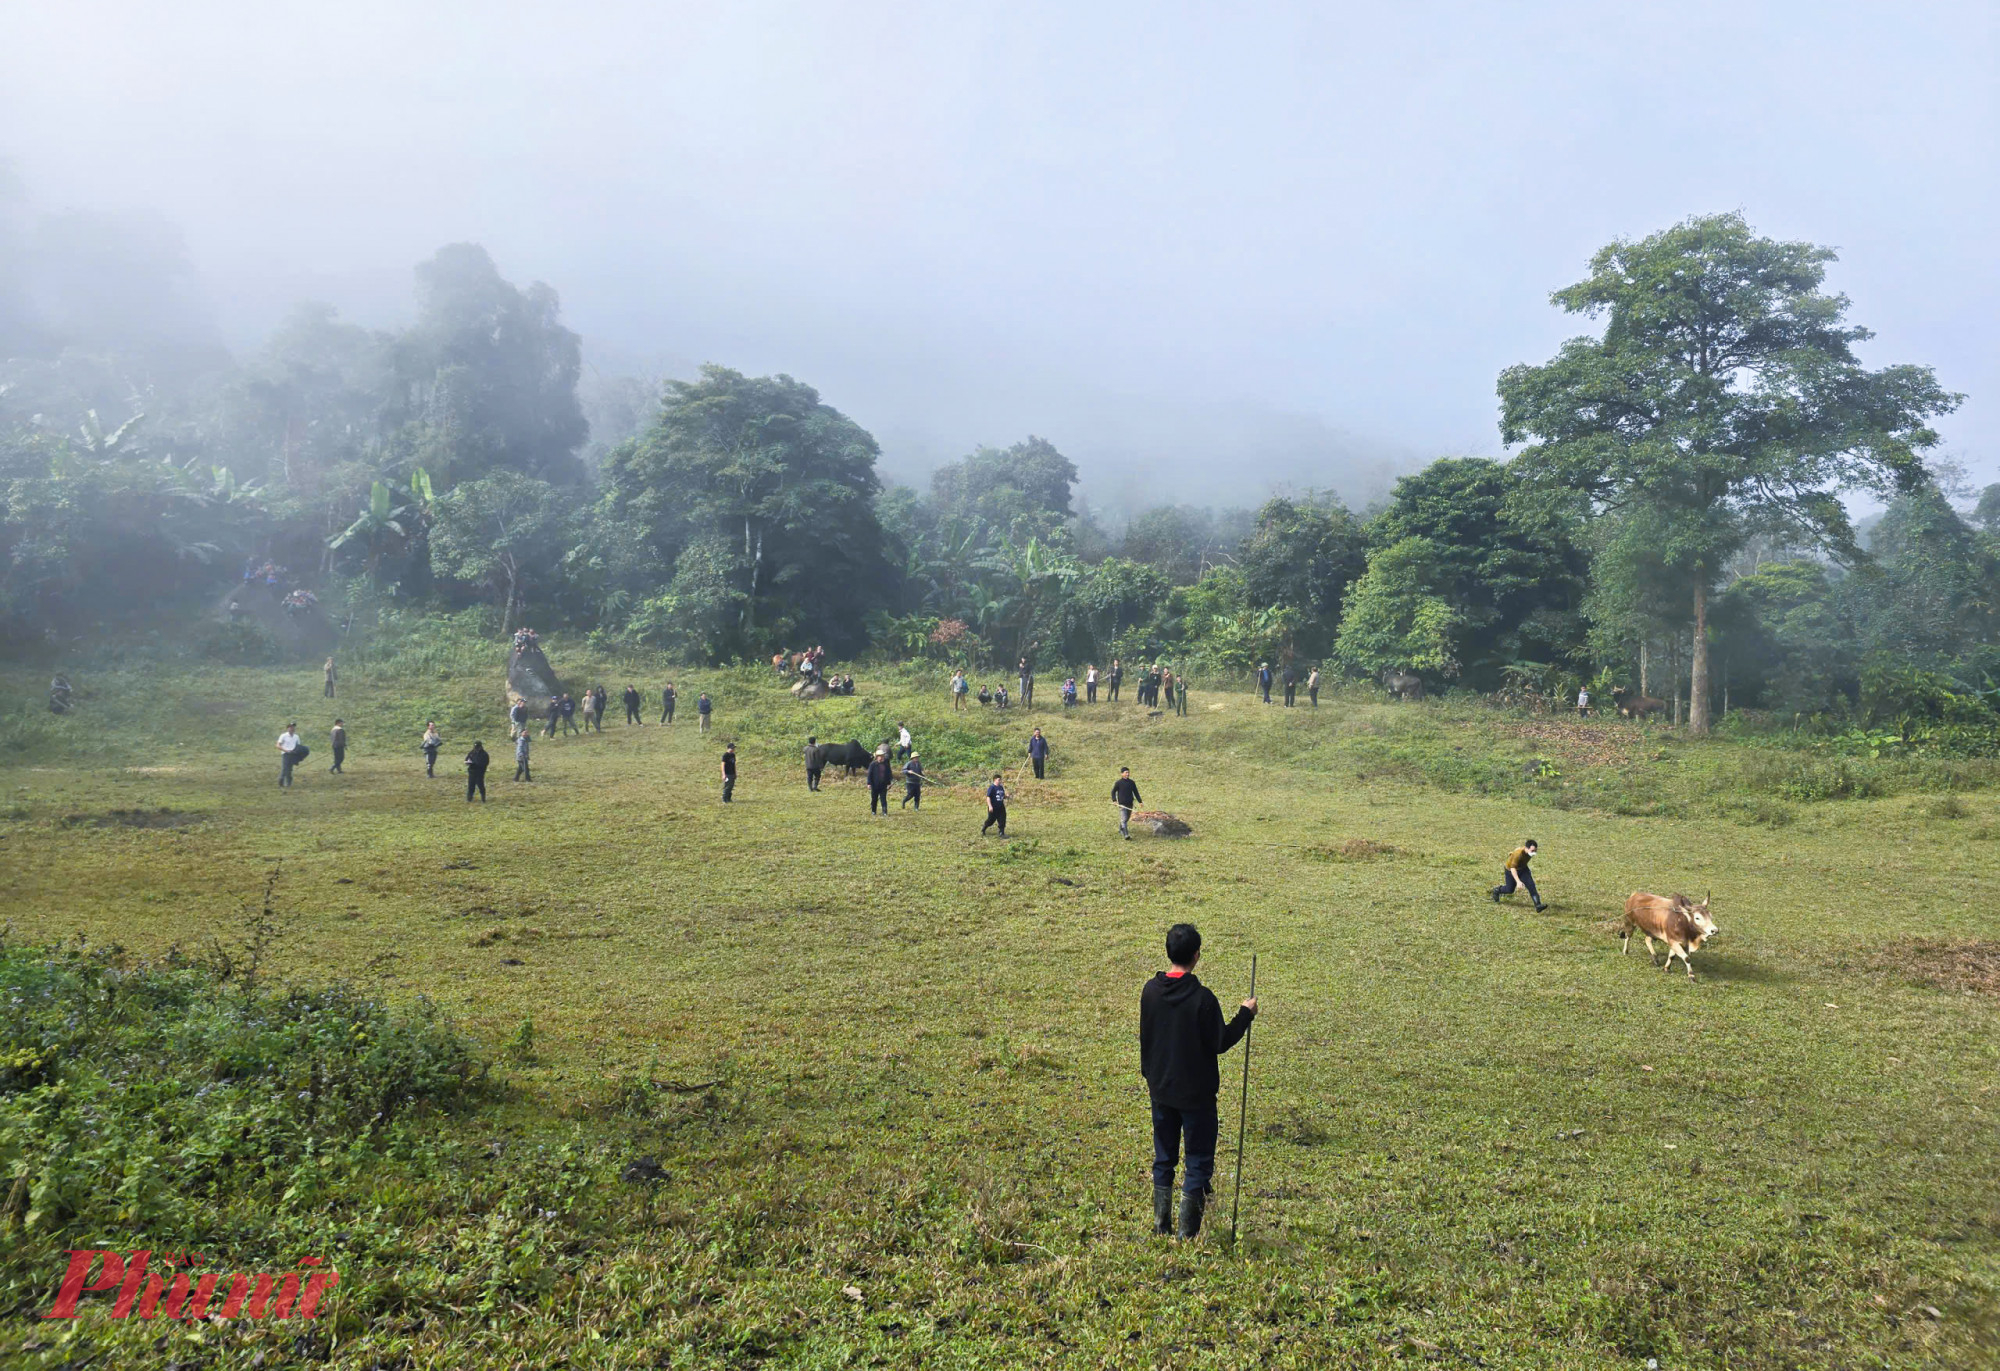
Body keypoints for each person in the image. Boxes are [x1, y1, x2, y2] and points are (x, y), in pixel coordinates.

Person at [1140, 923, 1257, 1239]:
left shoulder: (1150, 992)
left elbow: (1147, 1038)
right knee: (1198, 1162)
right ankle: (1187, 1236)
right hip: (1197, 1097)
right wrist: (1245, 1014)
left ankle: (1161, 1226)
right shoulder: (1202, 999)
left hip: (1161, 1090)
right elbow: (1220, 1042)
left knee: (1164, 1158)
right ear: (1196, 956)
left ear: (1169, 953)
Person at [1490, 839, 1546, 911]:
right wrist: (1518, 881)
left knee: (1531, 886)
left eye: (1535, 851)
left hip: (1523, 869)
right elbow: (1513, 869)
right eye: (1532, 851)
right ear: (1526, 848)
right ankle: (1497, 890)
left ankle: (1538, 905)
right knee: (1509, 890)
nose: (1534, 853)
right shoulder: (1518, 854)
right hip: (1510, 870)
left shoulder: (1527, 851)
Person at [1112, 766, 1142, 839]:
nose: (1127, 774)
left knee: (1126, 818)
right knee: (1124, 819)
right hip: (1122, 804)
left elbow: (1136, 792)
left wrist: (1140, 801)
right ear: (1122, 774)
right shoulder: (1118, 783)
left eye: (1128, 772)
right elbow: (1113, 792)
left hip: (1130, 804)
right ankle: (1126, 835)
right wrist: (1114, 800)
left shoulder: (1132, 782)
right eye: (1126, 772)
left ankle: (1120, 829)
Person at [867, 748, 893, 816]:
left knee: (883, 799)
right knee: (874, 799)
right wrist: (869, 783)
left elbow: (889, 774)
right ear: (877, 757)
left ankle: (884, 812)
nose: (882, 757)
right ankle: (873, 811)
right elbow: (869, 774)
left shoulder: (886, 765)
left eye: (882, 756)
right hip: (874, 785)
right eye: (880, 756)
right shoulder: (873, 764)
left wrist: (889, 783)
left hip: (883, 785)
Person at [277, 722, 302, 789]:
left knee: (290, 769)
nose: (292, 728)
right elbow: (278, 745)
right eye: (291, 727)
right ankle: (281, 782)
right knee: (285, 768)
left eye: (293, 727)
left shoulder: (296, 736)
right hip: (286, 754)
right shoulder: (283, 736)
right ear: (288, 728)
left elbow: (298, 746)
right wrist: (285, 750)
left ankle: (288, 783)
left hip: (293, 754)